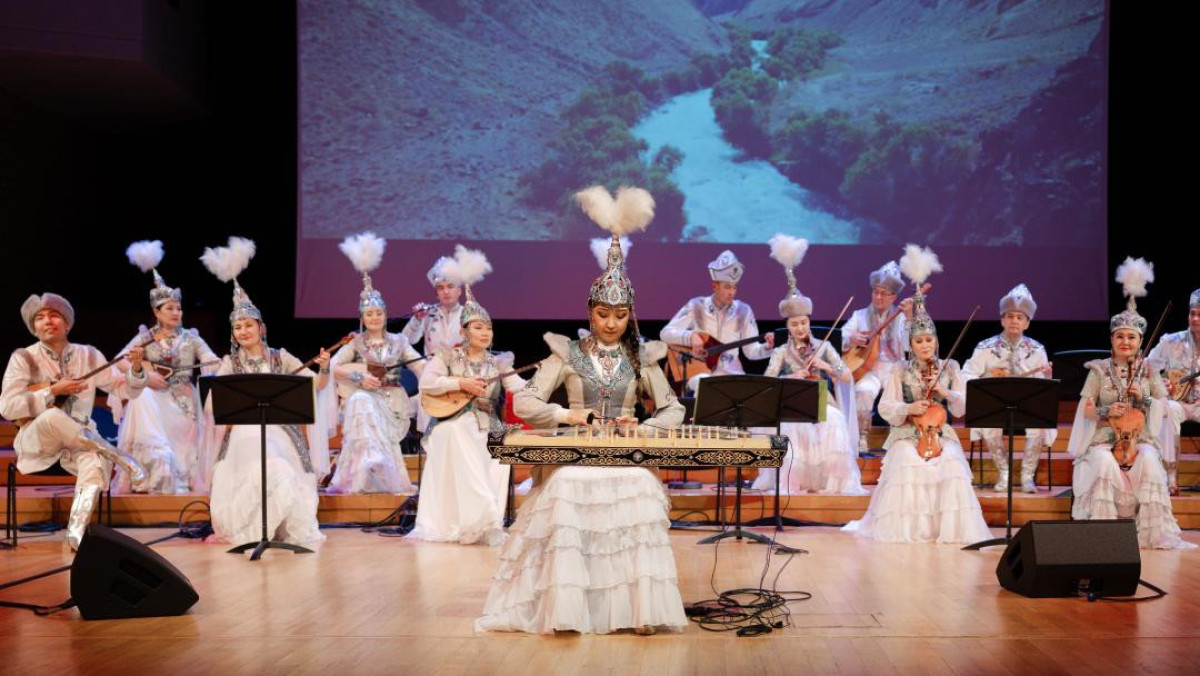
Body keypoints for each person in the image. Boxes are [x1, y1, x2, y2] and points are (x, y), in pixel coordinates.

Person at [477, 185, 687, 635]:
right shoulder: (566, 353)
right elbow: (527, 400)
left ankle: (637, 610)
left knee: (639, 490)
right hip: (574, 454)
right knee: (569, 484)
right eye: (603, 314)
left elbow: (672, 409)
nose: (611, 323)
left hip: (625, 454)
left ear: (631, 315)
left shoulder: (640, 356)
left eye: (620, 315)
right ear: (590, 312)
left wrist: (645, 424)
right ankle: (571, 609)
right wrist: (567, 416)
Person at [843, 245, 991, 544]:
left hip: (939, 431)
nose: (925, 346)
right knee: (907, 459)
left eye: (929, 340)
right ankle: (910, 529)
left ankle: (944, 530)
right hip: (907, 431)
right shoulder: (900, 369)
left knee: (950, 459)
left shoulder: (950, 367)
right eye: (920, 341)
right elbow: (887, 407)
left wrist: (945, 391)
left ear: (936, 342)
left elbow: (961, 408)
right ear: (913, 343)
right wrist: (910, 408)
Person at [200, 237, 335, 548]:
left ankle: (278, 524)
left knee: (278, 464)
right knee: (255, 453)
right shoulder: (228, 363)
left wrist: (325, 369)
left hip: (279, 430)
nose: (243, 331)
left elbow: (313, 385)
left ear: (261, 327)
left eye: (249, 325)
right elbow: (212, 405)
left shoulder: (280, 356)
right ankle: (254, 527)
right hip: (245, 432)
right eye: (238, 327)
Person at [0, 293, 146, 550]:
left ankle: (76, 535)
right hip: (38, 441)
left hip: (81, 445)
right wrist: (53, 390)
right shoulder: (23, 357)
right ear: (33, 327)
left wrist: (135, 369)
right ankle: (120, 457)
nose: (47, 321)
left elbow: (125, 390)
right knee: (52, 416)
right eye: (40, 318)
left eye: (54, 315)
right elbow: (7, 407)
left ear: (67, 323)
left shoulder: (89, 355)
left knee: (94, 461)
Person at [1067, 258, 1194, 549]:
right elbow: (1084, 407)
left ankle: (1151, 533)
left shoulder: (1150, 371)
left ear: (1140, 341)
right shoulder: (1098, 369)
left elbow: (1163, 404)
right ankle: (1104, 533)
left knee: (1149, 460)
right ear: (1111, 339)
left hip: (1141, 438)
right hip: (1104, 437)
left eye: (1132, 338)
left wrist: (1144, 398)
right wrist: (1104, 410)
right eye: (1120, 336)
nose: (1126, 342)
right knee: (1101, 461)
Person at [409, 246, 525, 545]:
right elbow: (427, 384)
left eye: (488, 327)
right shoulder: (448, 356)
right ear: (465, 331)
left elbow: (521, 389)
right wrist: (461, 383)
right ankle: (483, 518)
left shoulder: (499, 362)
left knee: (501, 450)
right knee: (456, 434)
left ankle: (490, 521)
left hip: (488, 424)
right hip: (454, 419)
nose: (485, 333)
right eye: (478, 327)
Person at [751, 233, 864, 495]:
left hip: (824, 403)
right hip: (792, 405)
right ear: (787, 326)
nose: (801, 328)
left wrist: (825, 368)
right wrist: (794, 377)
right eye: (795, 324)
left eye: (804, 322)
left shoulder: (823, 347)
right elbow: (767, 383)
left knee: (834, 421)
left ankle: (833, 483)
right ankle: (793, 483)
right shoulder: (780, 352)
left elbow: (845, 375)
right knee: (791, 425)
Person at [111, 240, 219, 494]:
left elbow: (210, 358)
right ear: (157, 312)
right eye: (170, 308)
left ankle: (180, 477)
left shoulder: (191, 337)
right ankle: (150, 476)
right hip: (155, 399)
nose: (176, 313)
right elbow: (121, 359)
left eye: (179, 308)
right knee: (141, 397)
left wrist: (212, 365)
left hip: (182, 399)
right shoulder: (146, 335)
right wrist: (146, 375)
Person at [328, 232, 423, 494]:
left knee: (365, 404)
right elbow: (333, 366)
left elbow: (419, 366)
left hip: (393, 403)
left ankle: (382, 470)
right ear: (362, 317)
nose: (374, 317)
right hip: (365, 400)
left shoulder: (399, 342)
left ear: (385, 314)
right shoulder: (356, 343)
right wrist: (358, 378)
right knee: (360, 401)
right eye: (369, 313)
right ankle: (367, 463)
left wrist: (436, 375)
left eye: (378, 312)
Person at [961, 284, 1056, 493]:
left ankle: (1027, 476)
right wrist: (988, 377)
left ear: (1027, 323)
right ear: (1002, 319)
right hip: (995, 404)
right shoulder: (985, 347)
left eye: (1020, 317)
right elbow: (966, 374)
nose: (1014, 320)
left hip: (1026, 406)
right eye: (1010, 316)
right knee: (989, 423)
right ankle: (1003, 472)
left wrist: (1047, 375)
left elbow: (1043, 386)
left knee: (1039, 424)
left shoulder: (1038, 349)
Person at [660, 249, 773, 394]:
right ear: (715, 286)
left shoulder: (744, 311)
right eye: (727, 287)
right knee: (707, 385)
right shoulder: (697, 305)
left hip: (732, 373)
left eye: (734, 287)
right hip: (701, 373)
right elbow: (665, 333)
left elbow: (751, 352)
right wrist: (691, 336)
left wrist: (768, 347)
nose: (731, 292)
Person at [840, 261, 913, 451]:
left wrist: (910, 319)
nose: (878, 297)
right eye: (875, 292)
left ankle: (895, 437)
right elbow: (841, 335)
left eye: (884, 294)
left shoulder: (902, 317)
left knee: (896, 395)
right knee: (863, 391)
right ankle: (862, 437)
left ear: (894, 297)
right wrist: (851, 338)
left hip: (893, 370)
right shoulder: (860, 315)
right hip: (868, 369)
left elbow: (908, 345)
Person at [1146, 287, 1200, 495]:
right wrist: (1162, 384)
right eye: (1192, 313)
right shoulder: (1170, 342)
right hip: (1181, 404)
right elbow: (1147, 370)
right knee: (1167, 408)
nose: (1195, 319)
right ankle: (1170, 478)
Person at [401, 254, 463, 432]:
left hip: (460, 379)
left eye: (450, 286)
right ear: (436, 292)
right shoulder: (428, 313)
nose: (446, 291)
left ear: (459, 290)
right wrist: (417, 320)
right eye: (441, 288)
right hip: (432, 379)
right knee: (432, 433)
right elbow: (407, 340)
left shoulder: (470, 313)